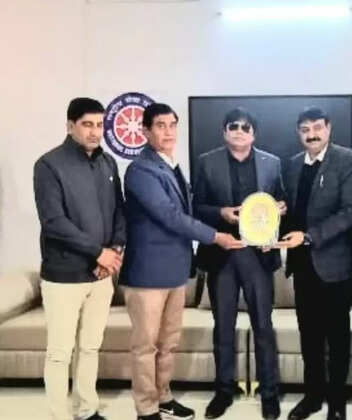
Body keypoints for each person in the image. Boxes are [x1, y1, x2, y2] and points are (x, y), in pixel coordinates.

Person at [121, 103, 242, 420]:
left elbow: (187, 209)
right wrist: (215, 236)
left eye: (172, 125)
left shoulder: (171, 165)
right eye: (160, 125)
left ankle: (163, 396)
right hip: (147, 273)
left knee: (168, 343)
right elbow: (169, 215)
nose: (168, 131)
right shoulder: (141, 170)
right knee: (145, 346)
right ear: (145, 131)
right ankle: (146, 408)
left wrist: (221, 213)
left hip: (175, 272)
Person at [33, 97, 126, 420]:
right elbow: (54, 222)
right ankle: (59, 415)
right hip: (64, 275)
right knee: (60, 353)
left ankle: (87, 410)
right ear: (70, 126)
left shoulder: (108, 163)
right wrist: (98, 252)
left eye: (100, 125)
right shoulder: (48, 165)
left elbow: (119, 211)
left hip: (101, 275)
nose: (95, 132)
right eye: (87, 124)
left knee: (90, 347)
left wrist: (114, 250)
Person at [193, 107, 286, 420]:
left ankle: (269, 393)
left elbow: (282, 202)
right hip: (223, 253)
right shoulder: (207, 162)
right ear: (224, 131)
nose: (239, 131)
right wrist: (220, 213)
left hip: (258, 255)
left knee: (263, 326)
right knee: (223, 327)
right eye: (233, 126)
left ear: (254, 134)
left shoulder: (272, 163)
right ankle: (224, 391)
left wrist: (280, 209)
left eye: (246, 127)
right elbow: (196, 207)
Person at [277, 107, 352, 420]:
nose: (311, 134)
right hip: (302, 265)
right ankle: (313, 397)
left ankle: (337, 403)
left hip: (335, 263)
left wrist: (310, 236)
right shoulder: (291, 165)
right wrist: (280, 210)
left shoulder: (347, 160)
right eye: (305, 129)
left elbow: (349, 212)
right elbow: (294, 209)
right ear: (298, 133)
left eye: (316, 127)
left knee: (337, 336)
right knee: (309, 336)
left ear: (328, 128)